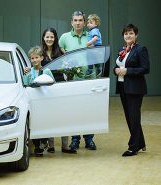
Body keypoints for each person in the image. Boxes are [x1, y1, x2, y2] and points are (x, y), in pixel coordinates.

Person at [58, 10, 97, 151]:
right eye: (75, 20)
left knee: (89, 111)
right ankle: (74, 140)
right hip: (73, 80)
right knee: (74, 111)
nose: (78, 22)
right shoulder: (64, 37)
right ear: (71, 22)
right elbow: (60, 50)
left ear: (85, 22)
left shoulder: (91, 36)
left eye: (80, 20)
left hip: (89, 79)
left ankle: (89, 139)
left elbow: (98, 54)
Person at [114, 24, 150, 157]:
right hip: (123, 87)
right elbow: (117, 66)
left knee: (134, 117)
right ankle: (140, 142)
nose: (128, 36)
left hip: (135, 88)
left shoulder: (141, 49)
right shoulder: (122, 49)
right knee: (130, 118)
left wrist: (128, 71)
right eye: (126, 34)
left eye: (131, 33)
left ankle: (133, 147)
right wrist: (115, 70)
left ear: (136, 35)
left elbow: (145, 68)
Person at [41, 28, 76, 154]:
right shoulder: (40, 52)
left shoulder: (60, 52)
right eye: (47, 37)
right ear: (43, 38)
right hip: (46, 89)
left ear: (55, 38)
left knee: (63, 116)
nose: (49, 39)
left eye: (52, 37)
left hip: (61, 87)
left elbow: (68, 67)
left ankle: (65, 146)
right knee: (50, 117)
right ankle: (51, 145)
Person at [23, 46, 53, 156]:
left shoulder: (47, 70)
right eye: (32, 58)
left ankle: (43, 142)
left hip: (44, 102)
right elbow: (25, 84)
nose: (34, 60)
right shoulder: (28, 71)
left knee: (43, 122)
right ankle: (37, 146)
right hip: (33, 102)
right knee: (34, 124)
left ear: (41, 58)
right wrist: (26, 74)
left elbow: (52, 84)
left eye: (37, 57)